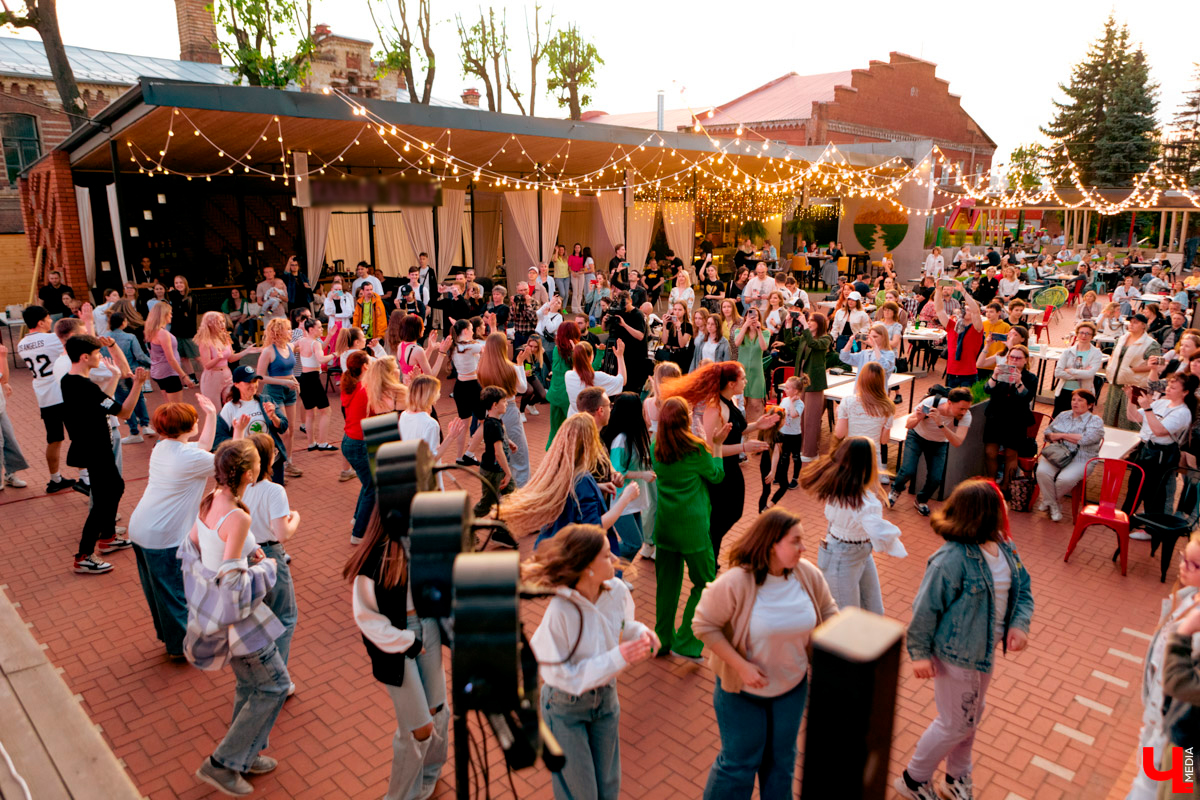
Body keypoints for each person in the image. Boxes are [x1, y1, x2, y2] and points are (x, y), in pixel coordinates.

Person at [896, 479, 1033, 800]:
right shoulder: (951, 559)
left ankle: (957, 778)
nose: (1007, 509)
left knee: (969, 719)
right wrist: (918, 653)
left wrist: (1019, 624)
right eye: (1001, 504)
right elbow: (924, 610)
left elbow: (1023, 589)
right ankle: (913, 779)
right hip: (956, 655)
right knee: (955, 723)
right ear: (984, 514)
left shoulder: (1004, 546)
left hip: (984, 652)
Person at [692, 507, 837, 800]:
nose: (804, 547)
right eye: (796, 541)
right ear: (772, 543)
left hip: (791, 689)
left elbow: (828, 611)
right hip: (740, 693)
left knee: (781, 763)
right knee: (739, 764)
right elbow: (704, 625)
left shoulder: (807, 574)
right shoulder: (735, 582)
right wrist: (741, 666)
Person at [181, 439, 289, 797]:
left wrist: (248, 551)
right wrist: (268, 567)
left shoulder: (210, 500)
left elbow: (194, 548)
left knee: (248, 685)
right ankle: (222, 763)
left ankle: (246, 753)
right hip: (242, 624)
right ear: (247, 473)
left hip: (220, 619)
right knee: (273, 686)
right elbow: (233, 582)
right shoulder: (238, 516)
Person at [524, 523, 657, 800]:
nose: (614, 559)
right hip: (565, 707)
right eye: (606, 555)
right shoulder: (561, 610)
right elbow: (564, 678)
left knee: (608, 790)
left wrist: (642, 632)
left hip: (607, 701)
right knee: (582, 794)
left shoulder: (617, 591)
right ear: (587, 567)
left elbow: (623, 624)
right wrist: (617, 657)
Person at [127, 400, 217, 659]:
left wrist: (211, 414)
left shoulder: (162, 447)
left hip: (142, 529)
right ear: (187, 426)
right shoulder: (190, 458)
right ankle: (182, 649)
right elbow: (228, 461)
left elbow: (202, 448)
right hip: (163, 537)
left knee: (159, 591)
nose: (198, 421)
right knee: (177, 593)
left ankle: (170, 638)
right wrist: (240, 433)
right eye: (196, 418)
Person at [662, 362, 776, 558]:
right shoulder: (715, 408)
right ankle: (709, 556)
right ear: (731, 383)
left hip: (731, 469)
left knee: (732, 514)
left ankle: (710, 551)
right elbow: (710, 448)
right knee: (721, 518)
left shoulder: (728, 402)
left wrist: (758, 424)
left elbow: (734, 429)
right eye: (742, 379)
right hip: (719, 472)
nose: (746, 382)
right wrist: (743, 447)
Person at [61, 335, 148, 573]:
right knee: (102, 501)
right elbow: (125, 412)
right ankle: (84, 555)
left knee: (116, 486)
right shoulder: (85, 387)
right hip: (95, 451)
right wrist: (138, 384)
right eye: (98, 354)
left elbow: (101, 402)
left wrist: (116, 376)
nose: (101, 357)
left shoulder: (69, 381)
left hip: (95, 448)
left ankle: (108, 537)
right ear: (84, 357)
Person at [1124, 532, 1200, 800]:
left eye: (1194, 564)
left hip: (1185, 740)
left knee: (1177, 792)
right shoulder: (1187, 600)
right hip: (1159, 722)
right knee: (1146, 781)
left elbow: (1180, 682)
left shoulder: (1195, 619)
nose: (1183, 566)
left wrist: (1183, 634)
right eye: (1184, 557)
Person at [651, 396, 728, 661]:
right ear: (686, 420)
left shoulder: (655, 447)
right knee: (705, 583)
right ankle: (686, 640)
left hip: (666, 527)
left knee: (667, 587)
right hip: (693, 529)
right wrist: (716, 446)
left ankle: (661, 641)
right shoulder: (695, 449)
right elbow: (717, 477)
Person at [802, 435, 905, 615]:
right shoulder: (862, 501)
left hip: (857, 551)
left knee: (872, 611)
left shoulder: (842, 486)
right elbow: (879, 532)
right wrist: (894, 541)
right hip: (843, 554)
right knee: (848, 618)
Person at [501, 413, 640, 545]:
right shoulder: (582, 479)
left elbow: (571, 491)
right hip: (572, 554)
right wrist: (625, 499)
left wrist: (596, 487)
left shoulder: (561, 471)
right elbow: (595, 527)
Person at [17, 306, 77, 492]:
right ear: (41, 322)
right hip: (62, 392)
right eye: (48, 318)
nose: (51, 321)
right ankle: (85, 478)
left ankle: (55, 479)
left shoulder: (21, 344)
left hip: (43, 395)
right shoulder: (52, 339)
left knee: (54, 439)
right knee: (77, 436)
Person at [888, 387, 974, 516]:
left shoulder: (965, 416)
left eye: (966, 408)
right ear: (949, 403)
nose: (964, 412)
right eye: (961, 408)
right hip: (917, 437)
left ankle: (921, 499)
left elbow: (957, 442)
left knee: (935, 479)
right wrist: (918, 418)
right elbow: (909, 424)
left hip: (939, 444)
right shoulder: (930, 402)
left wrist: (941, 424)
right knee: (908, 470)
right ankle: (896, 489)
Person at [1126, 372, 1198, 522]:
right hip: (1145, 449)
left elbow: (1159, 431)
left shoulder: (1183, 412)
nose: (1169, 388)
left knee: (1154, 494)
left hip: (1161, 456)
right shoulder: (1162, 402)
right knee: (1134, 488)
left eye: (1173, 387)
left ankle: (1150, 528)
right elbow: (1133, 417)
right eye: (1169, 385)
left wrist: (1147, 409)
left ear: (1185, 392)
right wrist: (1131, 399)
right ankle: (1126, 521)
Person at [1034, 389, 1104, 523]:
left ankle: (1048, 501)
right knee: (1042, 471)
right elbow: (1047, 434)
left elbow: (1086, 440)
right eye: (1073, 400)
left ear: (1089, 405)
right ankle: (1053, 504)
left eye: (1080, 400)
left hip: (1082, 457)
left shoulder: (1095, 421)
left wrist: (1061, 435)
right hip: (1058, 453)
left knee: (1064, 479)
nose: (1075, 403)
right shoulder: (1063, 415)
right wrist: (1062, 436)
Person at [602, 392, 657, 561]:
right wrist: (643, 475)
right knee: (633, 543)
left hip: (632, 498)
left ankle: (618, 573)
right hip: (620, 499)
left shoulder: (634, 436)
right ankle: (597, 555)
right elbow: (617, 471)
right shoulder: (621, 440)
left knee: (636, 542)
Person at [214, 365, 290, 485]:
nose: (253, 385)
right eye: (248, 382)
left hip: (272, 461)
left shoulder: (265, 399)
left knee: (274, 495)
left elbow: (283, 426)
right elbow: (218, 439)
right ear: (236, 384)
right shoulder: (230, 408)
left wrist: (274, 417)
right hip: (248, 464)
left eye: (255, 381)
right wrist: (241, 440)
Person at [982, 345, 1038, 493]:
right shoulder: (1001, 372)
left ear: (1025, 360)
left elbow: (1026, 397)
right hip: (995, 416)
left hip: (1016, 419)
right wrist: (994, 376)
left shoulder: (1030, 378)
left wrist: (1019, 382)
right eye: (1011, 357)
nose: (1014, 360)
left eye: (1018, 358)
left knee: (1010, 454)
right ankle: (992, 483)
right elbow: (987, 389)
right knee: (990, 452)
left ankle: (1006, 486)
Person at [835, 361, 896, 479]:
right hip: (872, 457)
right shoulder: (888, 406)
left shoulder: (847, 401)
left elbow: (839, 433)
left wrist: (840, 415)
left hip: (850, 455)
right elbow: (884, 440)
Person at [257, 318, 302, 477]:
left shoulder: (290, 346)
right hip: (274, 392)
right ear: (278, 332)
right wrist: (283, 382)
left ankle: (288, 462)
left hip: (289, 391)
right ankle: (276, 467)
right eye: (288, 329)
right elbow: (260, 376)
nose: (291, 332)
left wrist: (294, 381)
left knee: (291, 430)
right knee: (282, 430)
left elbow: (290, 371)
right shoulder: (268, 351)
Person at [1104, 313, 1162, 430]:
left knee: (1128, 420)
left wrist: (1132, 370)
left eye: (1135, 322)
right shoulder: (1121, 339)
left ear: (1143, 326)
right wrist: (1110, 367)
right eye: (1131, 322)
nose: (1131, 324)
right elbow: (1114, 355)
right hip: (1115, 383)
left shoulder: (1151, 344)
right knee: (1111, 418)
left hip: (1133, 385)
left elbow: (1157, 365)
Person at [794, 312, 834, 462]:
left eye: (812, 321)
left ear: (819, 323)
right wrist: (786, 326)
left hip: (814, 380)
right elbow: (793, 342)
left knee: (811, 417)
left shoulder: (826, 338)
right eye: (808, 320)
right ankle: (801, 447)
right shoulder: (806, 336)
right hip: (802, 377)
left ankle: (811, 452)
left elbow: (814, 344)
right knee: (801, 414)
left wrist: (804, 324)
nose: (809, 323)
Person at [144, 302, 195, 403]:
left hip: (159, 371)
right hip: (168, 372)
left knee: (170, 405)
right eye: (170, 313)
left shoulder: (151, 331)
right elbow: (170, 358)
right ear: (163, 315)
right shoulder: (163, 334)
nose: (171, 315)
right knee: (176, 407)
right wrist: (184, 376)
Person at [1052, 322, 1105, 416]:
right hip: (1064, 391)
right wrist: (1082, 373)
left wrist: (1070, 370)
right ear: (1077, 334)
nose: (1084, 335)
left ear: (1092, 336)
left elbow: (1090, 374)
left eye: (1087, 333)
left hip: (1083, 393)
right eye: (1081, 332)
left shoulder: (1096, 353)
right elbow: (1058, 373)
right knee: (1058, 422)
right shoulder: (1067, 352)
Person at [936, 287, 984, 388]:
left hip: (968, 374)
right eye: (964, 309)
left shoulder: (977, 328)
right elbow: (940, 310)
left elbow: (976, 311)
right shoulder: (953, 325)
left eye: (968, 309)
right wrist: (938, 291)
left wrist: (963, 291)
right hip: (951, 372)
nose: (965, 311)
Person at [195, 311, 241, 410]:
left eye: (223, 322)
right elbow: (207, 365)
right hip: (212, 377)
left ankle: (232, 425)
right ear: (210, 324)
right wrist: (217, 358)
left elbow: (231, 358)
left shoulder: (225, 337)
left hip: (226, 374)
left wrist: (247, 351)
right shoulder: (205, 341)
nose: (222, 324)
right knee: (215, 410)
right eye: (219, 322)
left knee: (233, 403)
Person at [546, 322, 581, 447]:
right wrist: (599, 354)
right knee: (572, 431)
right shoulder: (576, 351)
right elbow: (589, 370)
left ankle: (551, 456)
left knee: (554, 430)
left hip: (555, 395)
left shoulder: (556, 349)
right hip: (568, 397)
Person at [733, 308, 770, 422]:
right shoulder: (739, 331)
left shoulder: (765, 332)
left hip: (757, 372)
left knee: (756, 403)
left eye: (756, 316)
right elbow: (737, 343)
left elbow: (764, 347)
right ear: (745, 317)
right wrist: (745, 326)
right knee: (741, 401)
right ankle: (745, 427)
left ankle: (757, 428)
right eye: (750, 316)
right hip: (742, 372)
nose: (753, 318)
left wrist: (758, 330)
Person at [0, 345, 29, 490]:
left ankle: (10, 474)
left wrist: (4, 383)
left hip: (0, 407)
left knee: (9, 439)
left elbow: (3, 378)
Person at [168, 275, 201, 379]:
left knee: (197, 356)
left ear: (185, 284)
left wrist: (174, 296)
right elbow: (176, 312)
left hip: (189, 331)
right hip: (176, 331)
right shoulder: (174, 296)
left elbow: (184, 311)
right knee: (183, 357)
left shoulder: (192, 297)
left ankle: (210, 374)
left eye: (181, 282)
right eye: (176, 283)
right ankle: (192, 377)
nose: (178, 285)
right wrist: (174, 295)